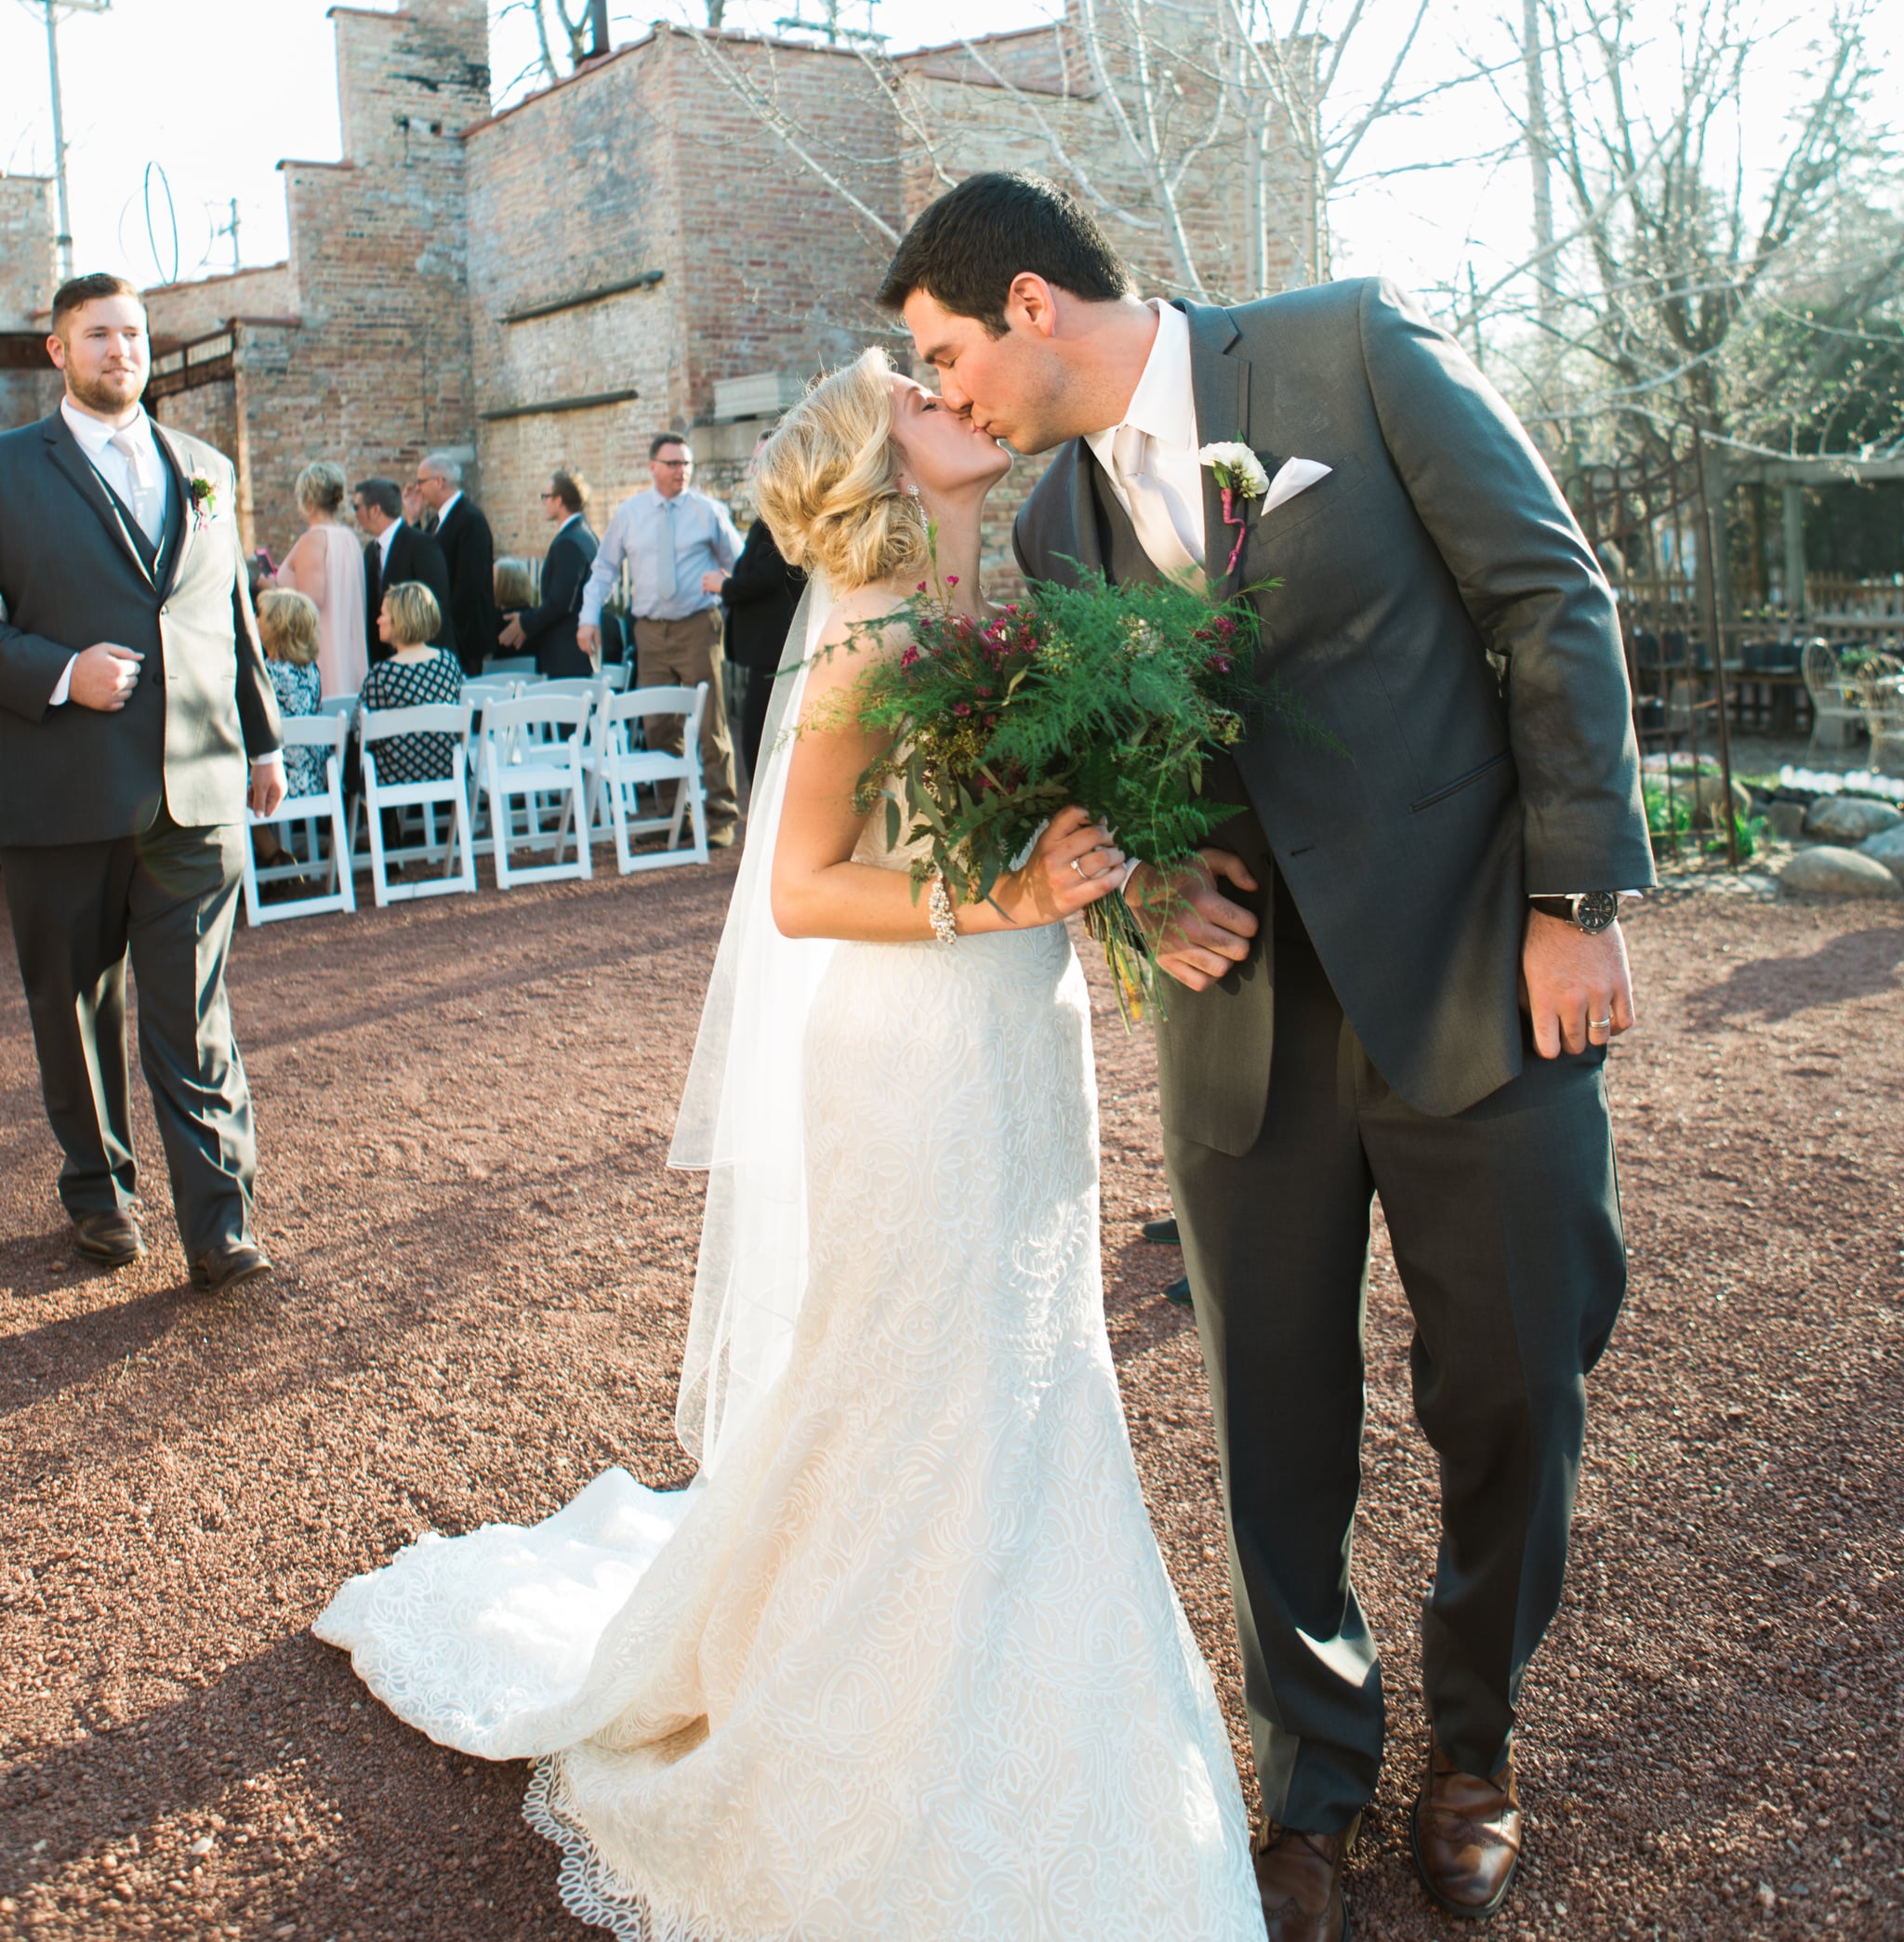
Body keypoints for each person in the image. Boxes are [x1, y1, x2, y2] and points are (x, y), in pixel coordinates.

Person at [316, 346, 1262, 1941]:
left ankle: (1032, 1686)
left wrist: (1111, 867)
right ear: (876, 463)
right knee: (911, 1375)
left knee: (1031, 1366)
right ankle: (875, 1715)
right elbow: (804, 886)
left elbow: (1043, 818)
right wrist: (1008, 893)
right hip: (911, 1054)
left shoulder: (1002, 614)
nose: (955, 394)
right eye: (917, 394)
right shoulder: (867, 636)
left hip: (1022, 1037)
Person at [880, 172, 1653, 1939]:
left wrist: (1575, 898)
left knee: (1517, 1386)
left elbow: (1551, 599)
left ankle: (1475, 1749)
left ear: (1028, 304)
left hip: (1477, 976)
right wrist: (1147, 890)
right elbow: (1100, 777)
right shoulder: (1050, 531)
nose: (944, 395)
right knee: (1271, 1426)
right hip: (1243, 1036)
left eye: (945, 354)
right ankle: (1308, 1785)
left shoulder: (1345, 352)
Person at [0, 272, 284, 1289]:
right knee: (73, 1012)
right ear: (58, 351)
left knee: (194, 1016)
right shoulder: (6, 469)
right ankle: (100, 1198)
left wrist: (263, 740)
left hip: (194, 791)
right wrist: (58, 673)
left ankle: (220, 1226)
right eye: (98, 334)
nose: (121, 349)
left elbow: (229, 613)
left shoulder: (204, 467)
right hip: (60, 795)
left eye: (134, 332)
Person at [577, 433, 743, 847]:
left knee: (711, 723)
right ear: (652, 467)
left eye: (686, 464)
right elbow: (604, 569)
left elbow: (739, 564)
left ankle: (721, 816)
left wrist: (725, 581)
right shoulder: (630, 514)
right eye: (672, 463)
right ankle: (675, 815)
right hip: (650, 632)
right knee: (659, 724)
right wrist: (588, 618)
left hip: (698, 626)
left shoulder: (708, 511)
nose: (681, 471)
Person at [721, 497, 805, 790]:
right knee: (760, 734)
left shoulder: (779, 517)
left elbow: (767, 577)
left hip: (775, 649)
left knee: (758, 737)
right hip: (770, 650)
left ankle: (765, 802)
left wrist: (724, 587)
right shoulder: (775, 516)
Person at [273, 460, 369, 699]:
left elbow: (310, 602)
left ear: (307, 500)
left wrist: (272, 587)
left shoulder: (314, 539)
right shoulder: (349, 537)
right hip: (349, 650)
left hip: (326, 654)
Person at [499, 469, 599, 679]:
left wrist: (526, 622)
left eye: (546, 497)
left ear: (559, 500)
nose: (543, 502)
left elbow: (561, 602)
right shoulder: (588, 536)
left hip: (567, 656)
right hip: (577, 653)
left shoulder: (569, 542)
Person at [359, 582, 464, 780]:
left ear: (400, 620)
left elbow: (361, 731)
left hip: (394, 777)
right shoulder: (448, 663)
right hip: (445, 770)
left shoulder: (382, 675)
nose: (378, 620)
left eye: (383, 614)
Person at [413, 452, 497, 675]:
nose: (417, 489)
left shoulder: (470, 519)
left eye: (421, 482)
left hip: (463, 639)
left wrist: (443, 628)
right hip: (445, 636)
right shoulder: (437, 521)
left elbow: (469, 584)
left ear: (439, 481)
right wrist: (414, 519)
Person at [354, 477, 452, 667]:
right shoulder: (370, 552)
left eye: (356, 507)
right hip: (383, 663)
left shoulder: (421, 544)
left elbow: (436, 604)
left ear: (375, 510)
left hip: (422, 662)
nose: (355, 514)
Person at [256, 589, 324, 798]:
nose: (255, 620)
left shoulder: (266, 675)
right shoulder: (311, 671)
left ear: (274, 627)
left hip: (274, 783)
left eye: (260, 616)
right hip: (313, 780)